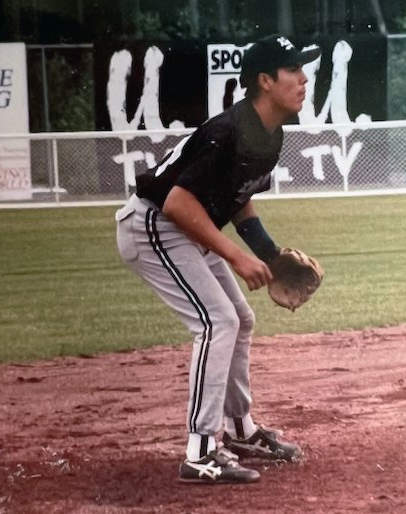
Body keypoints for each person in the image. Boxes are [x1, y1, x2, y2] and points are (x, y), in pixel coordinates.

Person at [115, 34, 321, 484]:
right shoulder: (229, 130)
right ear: (265, 81)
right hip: (151, 225)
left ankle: (239, 429)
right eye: (294, 71)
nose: (304, 78)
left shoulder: (269, 133)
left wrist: (269, 256)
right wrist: (237, 258)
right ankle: (201, 450)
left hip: (182, 229)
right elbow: (177, 204)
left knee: (239, 320)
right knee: (216, 322)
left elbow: (238, 200)